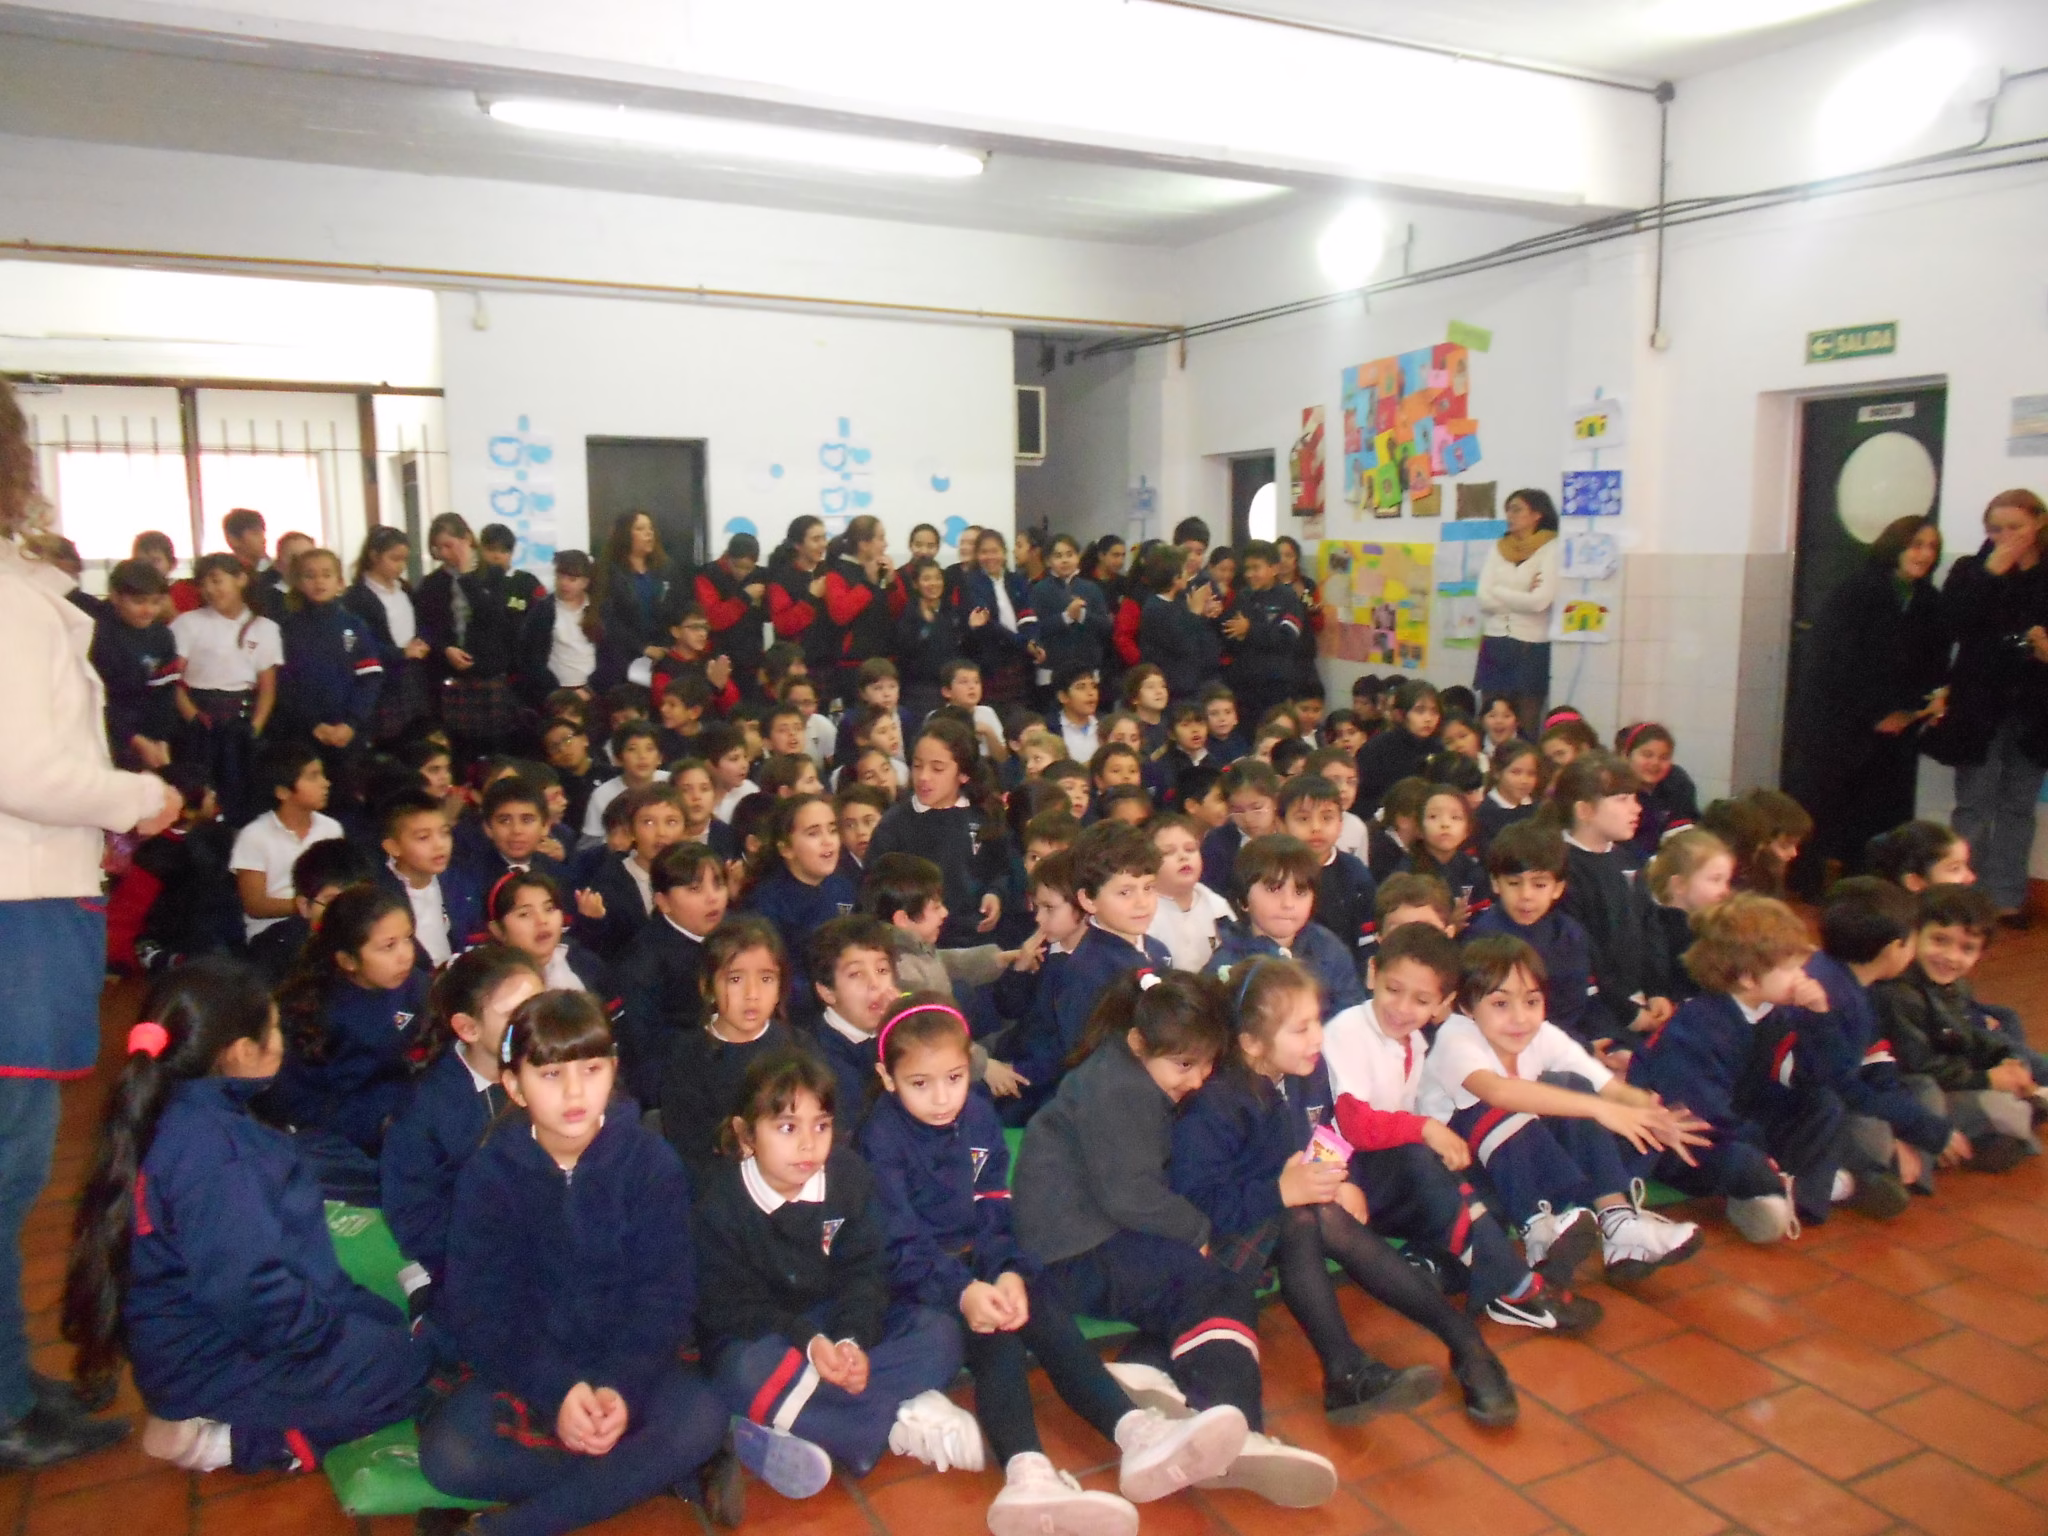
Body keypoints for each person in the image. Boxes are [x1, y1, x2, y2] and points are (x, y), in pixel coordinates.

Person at [861, 995, 1250, 1535]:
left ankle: (1134, 1431)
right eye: (920, 1084)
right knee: (996, 1338)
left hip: (980, 1261)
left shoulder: (977, 1115)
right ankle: (1027, 1473)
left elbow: (994, 1207)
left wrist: (1009, 1271)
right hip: (916, 1278)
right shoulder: (879, 1139)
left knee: (1042, 1310)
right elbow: (898, 1242)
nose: (942, 1097)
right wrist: (964, 1292)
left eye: (954, 1077)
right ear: (887, 1077)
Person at [63, 960, 428, 1473]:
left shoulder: (180, 1110)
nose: (281, 1041)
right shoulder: (216, 1153)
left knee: (386, 1328)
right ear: (238, 1052)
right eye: (273, 1029)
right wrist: (331, 1334)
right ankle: (228, 1442)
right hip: (213, 1359)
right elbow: (251, 1293)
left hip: (197, 1341)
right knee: (408, 1367)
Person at [1012, 968, 1340, 1509]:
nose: (1198, 1078)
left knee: (1203, 1286)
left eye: (1206, 1064)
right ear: (1139, 1042)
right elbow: (1131, 1195)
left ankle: (1164, 1382)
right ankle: (1234, 1426)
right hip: (1077, 1252)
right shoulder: (1120, 1090)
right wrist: (1196, 1230)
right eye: (1185, 1065)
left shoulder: (1122, 1073)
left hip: (1087, 1240)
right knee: (1215, 1286)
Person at [420, 990, 734, 1533]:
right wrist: (558, 1390)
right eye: (550, 1075)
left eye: (591, 1070)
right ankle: (656, 1472)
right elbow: (482, 1310)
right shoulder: (488, 1177)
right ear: (514, 1085)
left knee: (701, 1416)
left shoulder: (649, 1162)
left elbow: (667, 1296)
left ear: (612, 1070)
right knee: (450, 1457)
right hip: (532, 1366)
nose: (574, 1092)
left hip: (632, 1362)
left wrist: (620, 1386)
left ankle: (504, 1529)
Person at [1170, 956, 1518, 1426]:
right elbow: (1196, 1206)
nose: (1318, 1037)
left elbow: (1322, 1130)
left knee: (1313, 1216)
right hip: (1222, 1235)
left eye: (1317, 1021)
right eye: (1301, 1029)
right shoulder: (1214, 1103)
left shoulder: (1308, 1070)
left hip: (1287, 1208)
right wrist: (1280, 1193)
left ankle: (1369, 1367)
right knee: (1302, 1218)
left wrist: (1344, 1177)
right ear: (1251, 1043)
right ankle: (1450, 1347)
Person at [692, 1052, 971, 1496]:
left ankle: (804, 1422)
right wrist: (808, 1341)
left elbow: (865, 1272)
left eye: (820, 1126)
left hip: (833, 1321)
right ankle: (893, 1425)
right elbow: (729, 1307)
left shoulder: (848, 1177)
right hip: (767, 1336)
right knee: (741, 1374)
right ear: (746, 1136)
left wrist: (850, 1341)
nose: (808, 1145)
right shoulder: (718, 1201)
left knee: (942, 1336)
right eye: (787, 1128)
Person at [1425, 937, 1710, 1286]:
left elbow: (1609, 1087)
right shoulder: (1455, 1038)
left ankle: (1619, 1223)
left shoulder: (1542, 1035)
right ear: (1467, 1007)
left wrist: (1653, 1115)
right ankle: (1538, 1229)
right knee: (1499, 1105)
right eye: (1500, 1003)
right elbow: (1498, 1091)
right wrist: (1600, 1110)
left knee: (1572, 1085)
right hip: (1457, 1171)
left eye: (1532, 1001)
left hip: (1519, 1164)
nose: (1520, 1017)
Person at [1627, 893, 1850, 1239]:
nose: (1801, 976)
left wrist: (1820, 1019)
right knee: (1741, 1160)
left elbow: (1821, 1075)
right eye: (1789, 968)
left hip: (1742, 1120)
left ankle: (1788, 1195)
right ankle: (1784, 1186)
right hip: (1686, 1136)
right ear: (1747, 977)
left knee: (1825, 1104)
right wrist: (1760, 1149)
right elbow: (1703, 1112)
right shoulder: (1699, 1024)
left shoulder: (1778, 1014)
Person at [379, 945, 545, 1337]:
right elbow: (415, 1214)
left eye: (541, 1006)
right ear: (468, 1028)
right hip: (476, 1250)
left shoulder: (562, 1069)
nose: (537, 1025)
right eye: (515, 1016)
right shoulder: (426, 1106)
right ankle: (427, 1295)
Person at [1785, 515, 1950, 897]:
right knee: (1822, 803)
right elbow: (1836, 661)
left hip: (1897, 725)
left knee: (1879, 810)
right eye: (1916, 545)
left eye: (1931, 547)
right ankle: (1808, 882)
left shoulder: (1929, 601)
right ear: (1895, 546)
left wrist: (1917, 707)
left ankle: (1865, 885)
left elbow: (1932, 663)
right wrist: (1875, 713)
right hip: (1838, 720)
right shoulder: (1858, 591)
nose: (1924, 554)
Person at [1932, 490, 2048, 925]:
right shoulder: (1970, 569)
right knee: (1973, 805)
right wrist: (1990, 575)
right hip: (1979, 704)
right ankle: (1959, 896)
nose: (2005, 537)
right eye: (1996, 529)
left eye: (2015, 527)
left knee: (2018, 806)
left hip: (2035, 706)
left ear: (2039, 523)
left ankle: (2006, 896)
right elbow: (1951, 625)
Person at [659, 916, 801, 1179]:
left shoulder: (798, 1047)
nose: (752, 994)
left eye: (766, 979)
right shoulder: (687, 1058)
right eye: (735, 979)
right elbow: (690, 1154)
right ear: (708, 987)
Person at [865, 717, 1009, 946]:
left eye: (937, 768)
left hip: (978, 939)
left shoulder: (983, 813)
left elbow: (1002, 868)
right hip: (917, 947)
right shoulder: (894, 825)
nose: (923, 777)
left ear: (963, 774)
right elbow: (874, 897)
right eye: (917, 765)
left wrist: (996, 893)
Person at [416, 514, 520, 761]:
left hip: (488, 672)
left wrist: (466, 576)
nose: (444, 553)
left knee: (496, 752)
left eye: (449, 545)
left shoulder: (492, 575)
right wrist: (445, 649)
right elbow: (426, 628)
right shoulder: (432, 583)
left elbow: (492, 616)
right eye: (438, 548)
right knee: (458, 752)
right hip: (452, 677)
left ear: (467, 539)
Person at [1474, 488, 1560, 736]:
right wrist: (1521, 593)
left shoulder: (1551, 547)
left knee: (1527, 721)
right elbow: (1483, 598)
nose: (1510, 516)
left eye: (1517, 509)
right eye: (1508, 510)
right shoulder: (1499, 547)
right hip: (1494, 640)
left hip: (1530, 645)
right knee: (1490, 715)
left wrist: (1499, 591)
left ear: (1537, 514)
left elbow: (1539, 602)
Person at [344, 526, 432, 745]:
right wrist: (400, 652)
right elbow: (363, 642)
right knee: (390, 741)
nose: (401, 566)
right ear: (374, 556)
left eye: (404, 560)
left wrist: (422, 641)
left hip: (413, 674)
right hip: (384, 679)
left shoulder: (404, 589)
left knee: (418, 740)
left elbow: (421, 622)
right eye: (394, 559)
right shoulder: (357, 597)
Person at [591, 510, 673, 689]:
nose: (648, 533)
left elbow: (675, 609)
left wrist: (665, 647)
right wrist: (642, 648)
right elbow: (608, 618)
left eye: (650, 528)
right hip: (621, 657)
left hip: (662, 654)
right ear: (624, 534)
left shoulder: (665, 568)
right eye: (640, 529)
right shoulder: (607, 570)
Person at [960, 528, 1038, 707]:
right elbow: (987, 623)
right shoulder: (971, 583)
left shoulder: (1016, 579)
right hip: (990, 664)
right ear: (977, 555)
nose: (990, 557)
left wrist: (1033, 641)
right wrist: (1023, 643)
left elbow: (1027, 613)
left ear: (1004, 553)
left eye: (995, 551)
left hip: (1020, 663)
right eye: (984, 552)